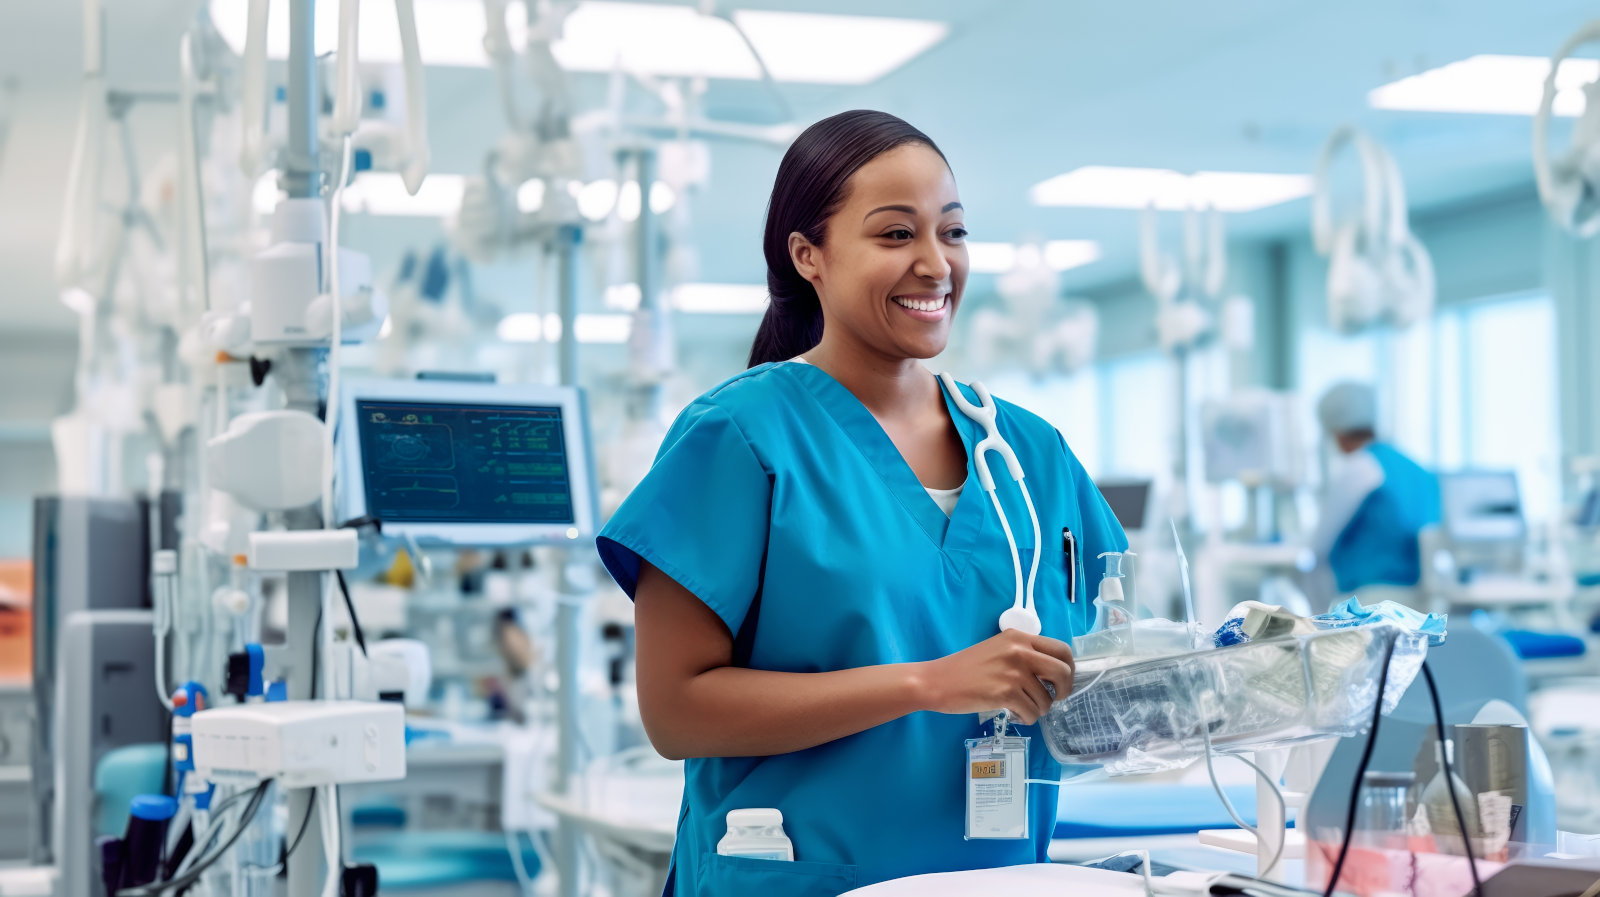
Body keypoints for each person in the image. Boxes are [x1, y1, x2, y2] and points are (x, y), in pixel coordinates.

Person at [595, 110, 1126, 897]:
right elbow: (675, 711)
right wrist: (927, 683)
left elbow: (1103, 661)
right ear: (808, 255)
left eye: (952, 231)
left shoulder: (1028, 453)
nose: (935, 263)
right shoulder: (741, 437)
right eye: (894, 235)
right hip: (797, 875)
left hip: (997, 877)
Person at [1310, 381, 1441, 598]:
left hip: (1369, 600)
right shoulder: (1416, 468)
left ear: (1338, 432)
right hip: (1419, 599)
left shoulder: (1360, 467)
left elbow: (1319, 544)